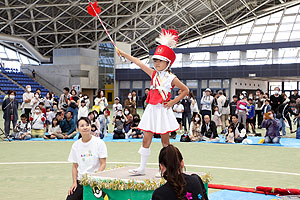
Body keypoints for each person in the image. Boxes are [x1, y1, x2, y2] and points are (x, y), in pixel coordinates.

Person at [119, 29, 189, 175]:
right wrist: (125, 55)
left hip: (162, 110)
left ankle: (165, 169)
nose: (156, 63)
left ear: (167, 62)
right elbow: (139, 63)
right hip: (151, 109)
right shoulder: (153, 74)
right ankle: (142, 168)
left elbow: (185, 90)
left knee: (165, 143)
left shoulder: (171, 78)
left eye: (160, 61)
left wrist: (172, 103)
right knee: (146, 139)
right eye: (155, 60)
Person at [67, 117, 107, 200]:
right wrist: (74, 182)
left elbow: (103, 163)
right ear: (78, 129)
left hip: (95, 181)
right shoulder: (76, 145)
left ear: (90, 127)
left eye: (87, 125)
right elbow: (75, 166)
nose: (85, 127)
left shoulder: (99, 143)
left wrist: (95, 177)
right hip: (81, 181)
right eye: (82, 126)